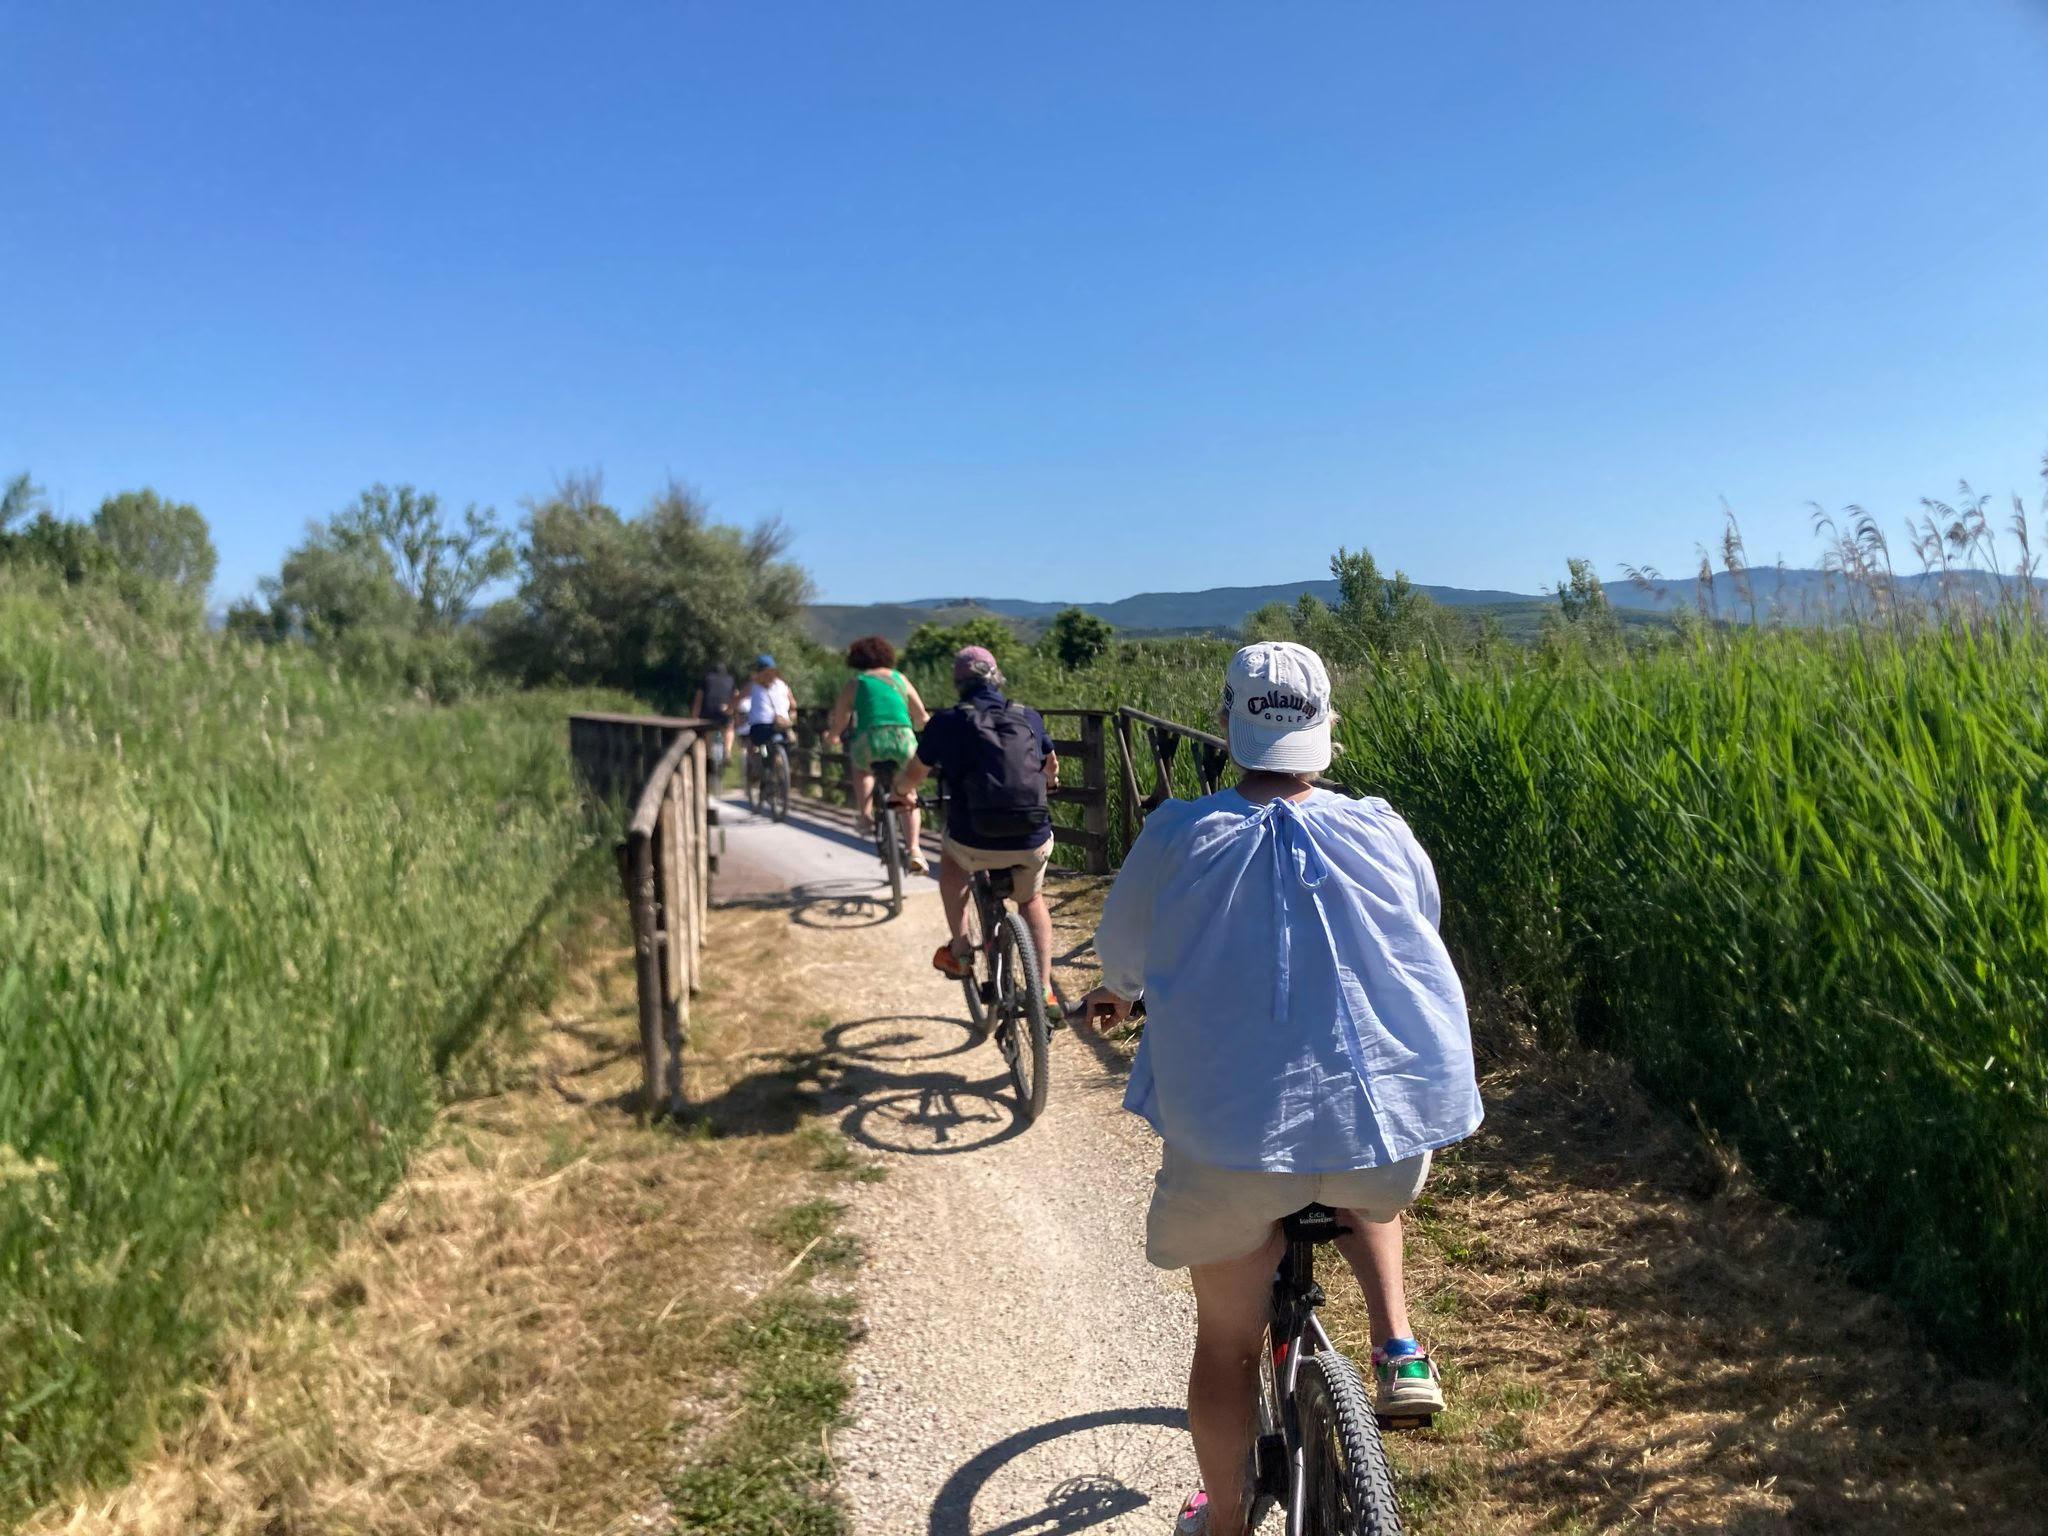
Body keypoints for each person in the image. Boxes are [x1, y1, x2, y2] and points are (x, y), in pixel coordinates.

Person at [1078, 640, 1483, 1536]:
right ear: (1328, 728)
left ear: (1225, 725)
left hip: (1230, 1154)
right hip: (1383, 1149)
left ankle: (1225, 1523)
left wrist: (1126, 990)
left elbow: (1125, 959)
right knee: (1360, 1150)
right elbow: (1420, 925)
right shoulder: (1381, 826)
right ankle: (1398, 1347)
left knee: (1226, 1344)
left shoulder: (1179, 833)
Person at [891, 646, 1059, 1005]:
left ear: (958, 683)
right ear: (996, 677)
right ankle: (1044, 991)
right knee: (1031, 899)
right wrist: (1050, 783)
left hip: (974, 839)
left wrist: (900, 794)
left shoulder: (948, 721)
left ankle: (962, 950)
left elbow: (914, 774)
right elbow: (1051, 767)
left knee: (950, 861)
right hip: (1031, 837)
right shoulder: (1028, 715)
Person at [827, 635, 932, 874]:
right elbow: (921, 716)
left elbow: (841, 719)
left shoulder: (856, 683)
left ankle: (864, 816)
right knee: (907, 792)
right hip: (901, 739)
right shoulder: (900, 679)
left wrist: (833, 736)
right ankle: (914, 849)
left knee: (861, 768)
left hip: (870, 740)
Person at [736, 654, 795, 797]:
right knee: (778, 745)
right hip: (781, 726)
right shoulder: (783, 685)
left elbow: (737, 700)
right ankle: (780, 771)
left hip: (760, 727)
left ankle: (759, 773)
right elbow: (793, 704)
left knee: (751, 746)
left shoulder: (753, 684)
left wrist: (728, 710)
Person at [690, 659, 737, 785]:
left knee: (705, 730)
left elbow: (698, 699)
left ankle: (707, 753)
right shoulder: (731, 680)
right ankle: (727, 750)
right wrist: (732, 710)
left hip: (708, 712)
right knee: (729, 727)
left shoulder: (706, 679)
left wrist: (694, 718)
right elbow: (736, 696)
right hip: (724, 710)